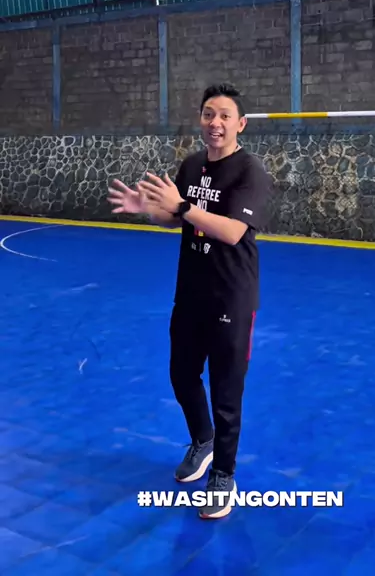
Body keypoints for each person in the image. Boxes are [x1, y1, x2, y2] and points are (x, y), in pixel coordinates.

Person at [107, 84, 271, 519]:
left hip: (231, 296)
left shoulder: (249, 171)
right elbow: (174, 217)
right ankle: (203, 440)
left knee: (226, 392)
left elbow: (232, 231)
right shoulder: (192, 165)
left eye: (224, 116)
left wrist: (181, 207)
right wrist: (148, 208)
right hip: (191, 291)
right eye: (208, 114)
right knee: (181, 373)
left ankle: (224, 474)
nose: (215, 123)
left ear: (240, 124)